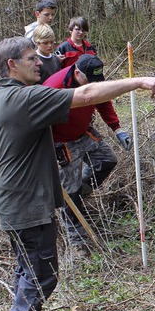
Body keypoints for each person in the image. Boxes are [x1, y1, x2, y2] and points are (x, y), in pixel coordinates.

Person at [0, 36, 155, 311]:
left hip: (13, 203)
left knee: (27, 270)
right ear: (12, 65)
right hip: (27, 205)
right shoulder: (25, 98)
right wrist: (140, 81)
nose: (39, 62)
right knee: (42, 274)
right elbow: (87, 94)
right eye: (32, 58)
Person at [44, 54, 133, 256]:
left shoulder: (93, 81)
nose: (94, 86)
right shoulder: (54, 86)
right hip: (61, 141)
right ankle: (77, 241)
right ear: (77, 73)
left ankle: (81, 193)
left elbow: (103, 100)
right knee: (69, 191)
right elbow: (40, 118)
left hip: (83, 132)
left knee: (107, 160)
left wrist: (117, 129)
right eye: (89, 82)